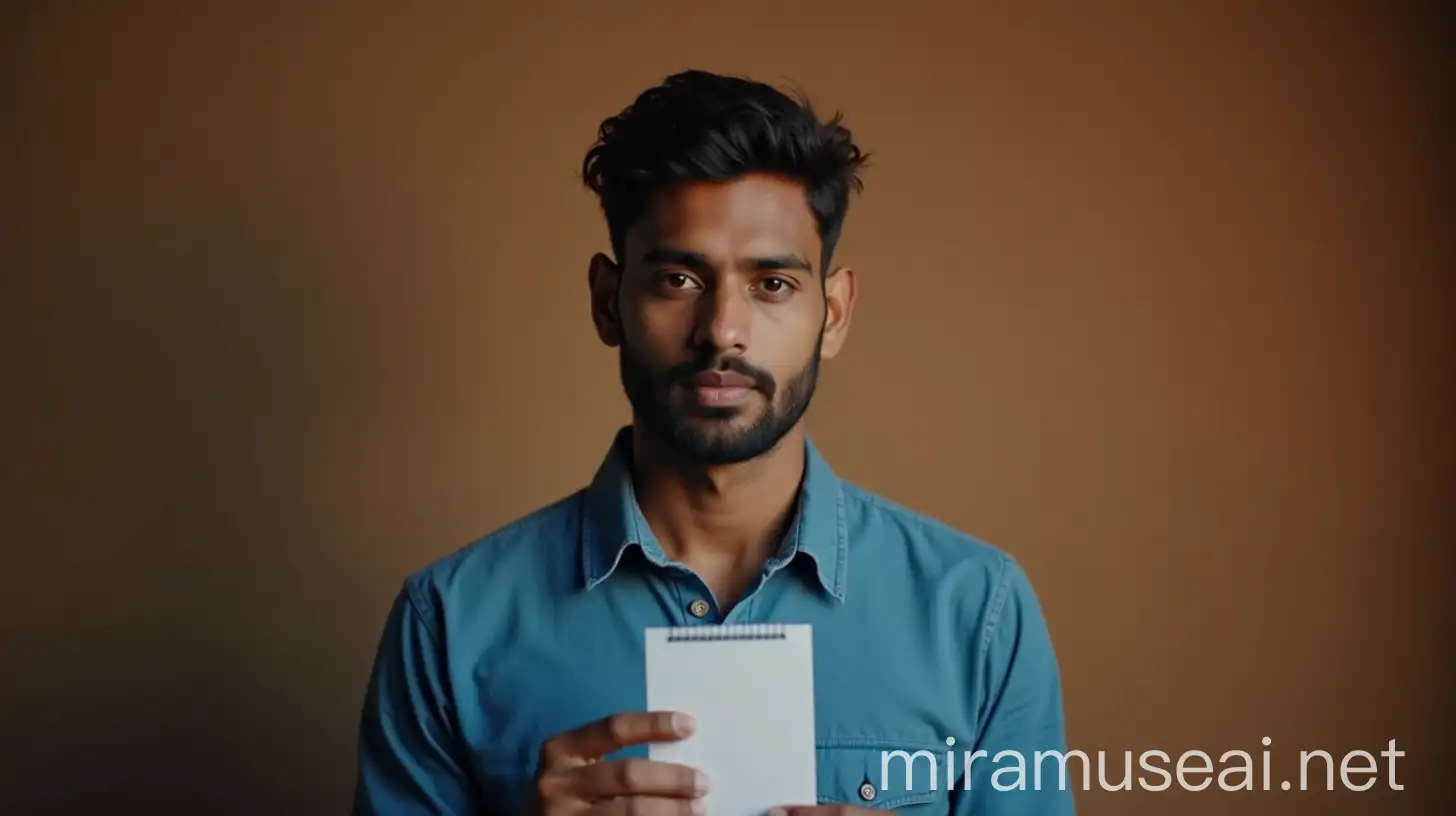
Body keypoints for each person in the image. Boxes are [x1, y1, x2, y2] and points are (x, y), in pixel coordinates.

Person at [352, 69, 1075, 815]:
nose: (721, 330)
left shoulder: (977, 612)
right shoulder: (449, 621)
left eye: (772, 285)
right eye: (677, 278)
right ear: (609, 301)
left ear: (833, 314)